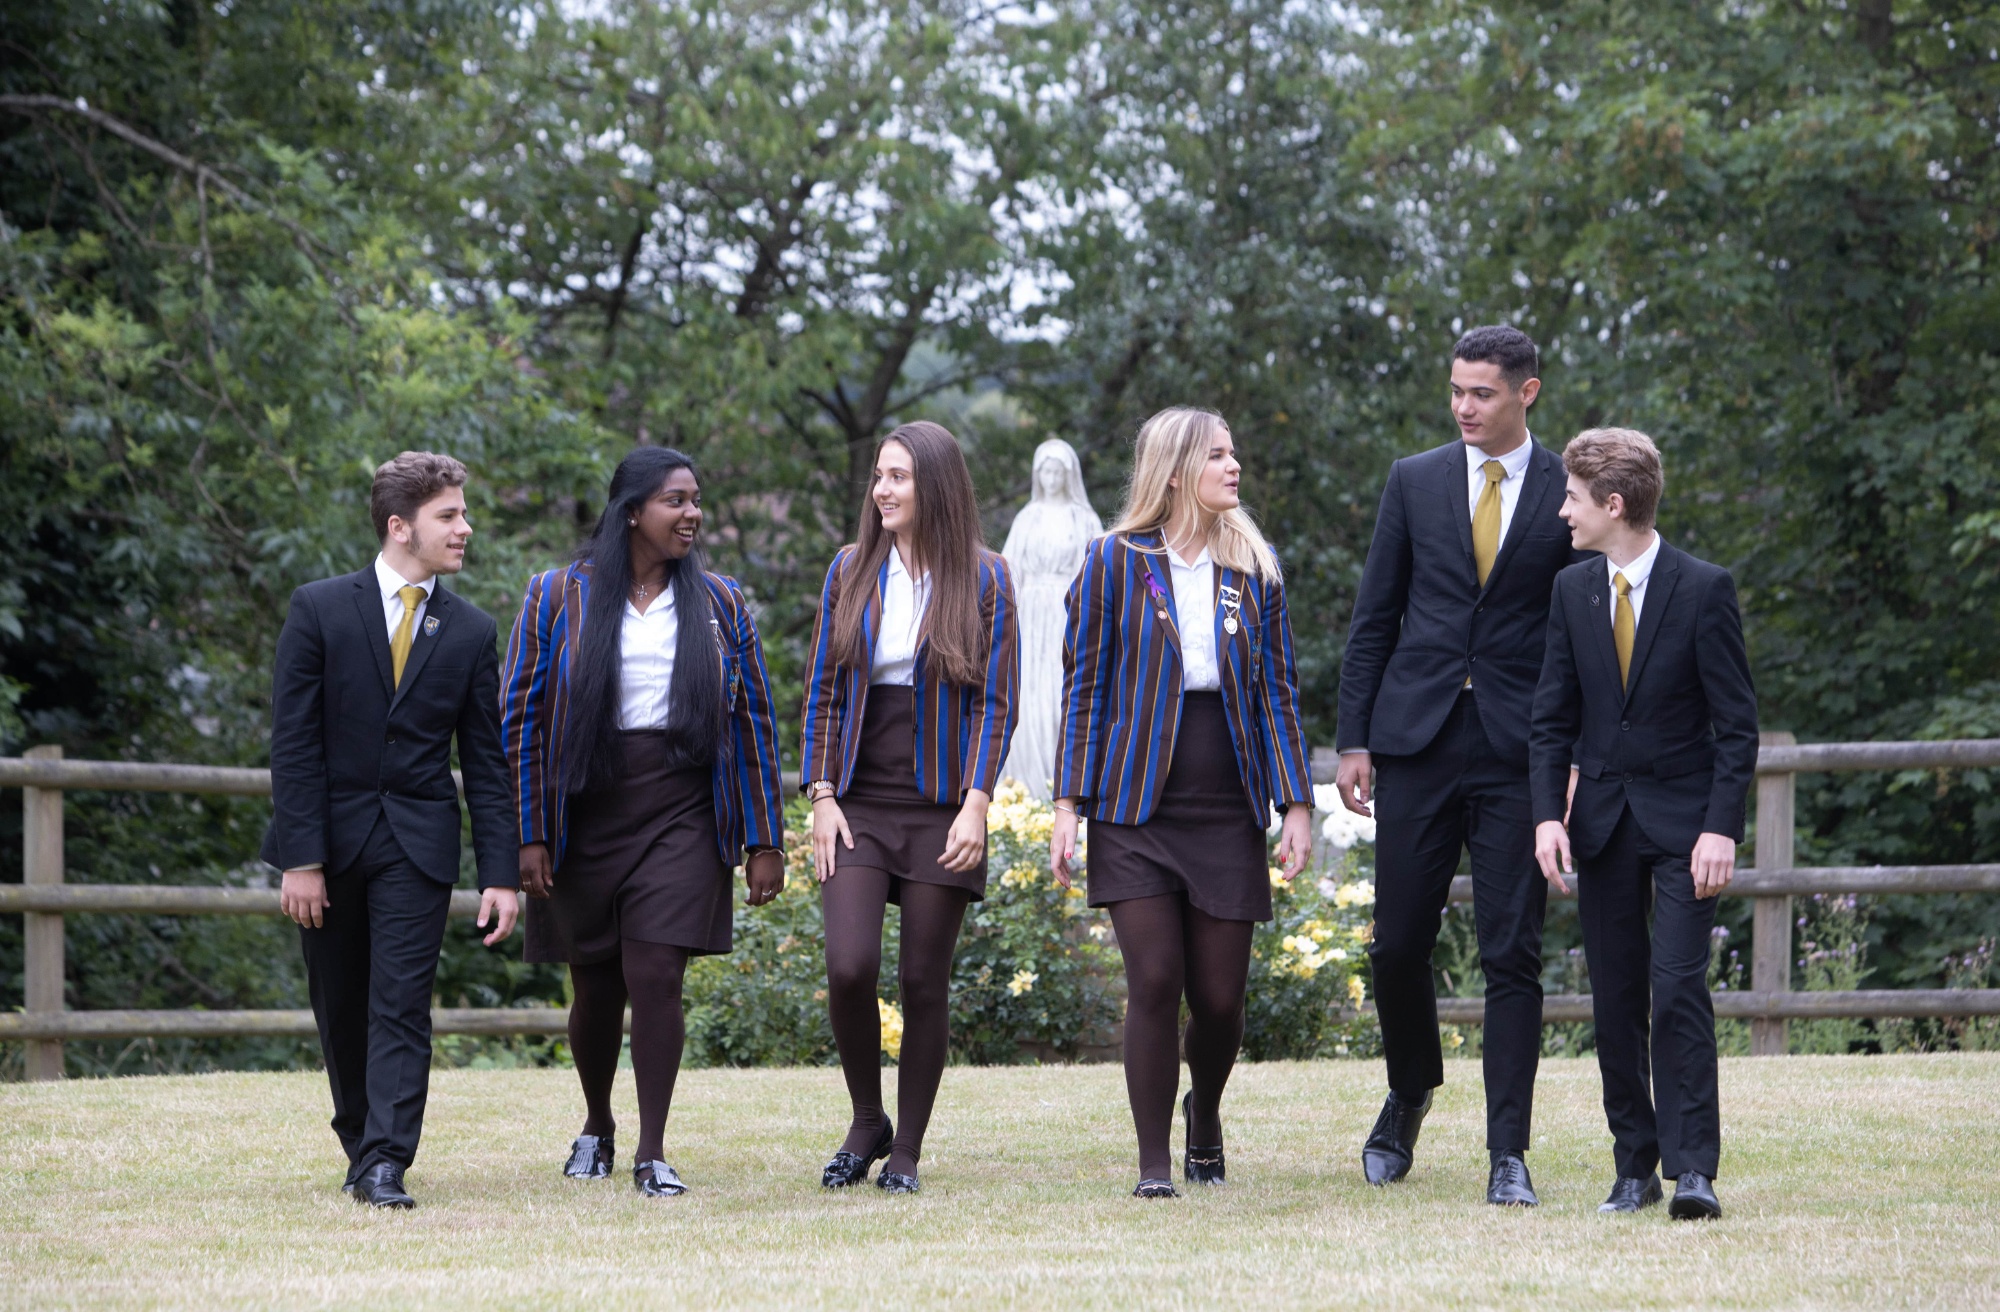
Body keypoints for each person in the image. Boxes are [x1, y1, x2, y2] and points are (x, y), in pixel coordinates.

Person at [1334, 325, 1589, 1206]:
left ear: (1527, 392)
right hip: (1418, 741)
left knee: (1511, 953)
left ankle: (1507, 1152)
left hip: (1524, 751)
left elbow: (1588, 633)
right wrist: (1355, 738)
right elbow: (1375, 616)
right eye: (1456, 391)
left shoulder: (1567, 488)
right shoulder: (1414, 480)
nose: (1463, 407)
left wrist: (1577, 755)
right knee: (1397, 942)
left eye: (1482, 392)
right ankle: (1409, 1089)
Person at [500, 447, 786, 1199]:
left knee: (656, 975)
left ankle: (652, 1150)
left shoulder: (721, 602)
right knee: (595, 987)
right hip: (585, 806)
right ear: (632, 512)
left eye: (696, 500)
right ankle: (596, 1124)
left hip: (682, 807)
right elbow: (520, 718)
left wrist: (764, 838)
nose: (693, 514)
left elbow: (754, 720)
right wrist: (527, 832)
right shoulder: (556, 594)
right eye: (675, 501)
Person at [1049, 406, 1315, 1198]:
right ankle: (1153, 1166)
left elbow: (1277, 692)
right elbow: (1084, 688)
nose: (1235, 467)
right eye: (1218, 456)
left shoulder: (1254, 567)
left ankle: (1206, 1112)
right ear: (1173, 473)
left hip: (1227, 804)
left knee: (1221, 1001)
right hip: (1134, 806)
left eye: (1234, 453)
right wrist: (1068, 804)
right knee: (1155, 981)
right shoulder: (1112, 560)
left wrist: (1296, 803)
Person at [264, 451, 519, 1209]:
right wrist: (301, 858)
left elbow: (486, 761)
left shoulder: (471, 630)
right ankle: (359, 1142)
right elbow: (293, 744)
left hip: (419, 844)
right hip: (329, 844)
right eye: (450, 515)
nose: (465, 528)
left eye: (463, 513)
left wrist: (500, 874)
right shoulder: (318, 609)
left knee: (402, 1004)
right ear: (400, 526)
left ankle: (386, 1161)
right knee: (340, 1005)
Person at [1530, 428, 1756, 1221]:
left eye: (1572, 498)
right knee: (1617, 997)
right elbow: (1550, 720)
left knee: (1678, 986)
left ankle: (1694, 1170)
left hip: (1688, 829)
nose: (1563, 512)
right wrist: (1546, 818)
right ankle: (1635, 1167)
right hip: (1601, 826)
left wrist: (1721, 828)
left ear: (1615, 504)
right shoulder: (1572, 592)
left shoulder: (1704, 589)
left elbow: (1737, 727)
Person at [801, 420, 1020, 1195]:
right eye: (878, 476)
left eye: (898, 477)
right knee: (849, 966)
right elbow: (824, 692)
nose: (882, 490)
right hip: (858, 802)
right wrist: (822, 793)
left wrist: (976, 803)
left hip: (942, 808)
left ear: (936, 485)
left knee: (924, 980)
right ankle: (868, 1120)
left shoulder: (986, 578)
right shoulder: (850, 568)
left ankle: (908, 1152)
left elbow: (996, 704)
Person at [1000, 438, 1104, 798]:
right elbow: (1008, 572)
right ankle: (1026, 789)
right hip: (1031, 620)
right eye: (1045, 471)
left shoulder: (1084, 519)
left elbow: (1099, 572)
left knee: (1063, 694)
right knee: (1030, 698)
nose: (1051, 478)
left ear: (1068, 475)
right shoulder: (1027, 518)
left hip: (1069, 614)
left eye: (1058, 471)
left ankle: (1065, 787)